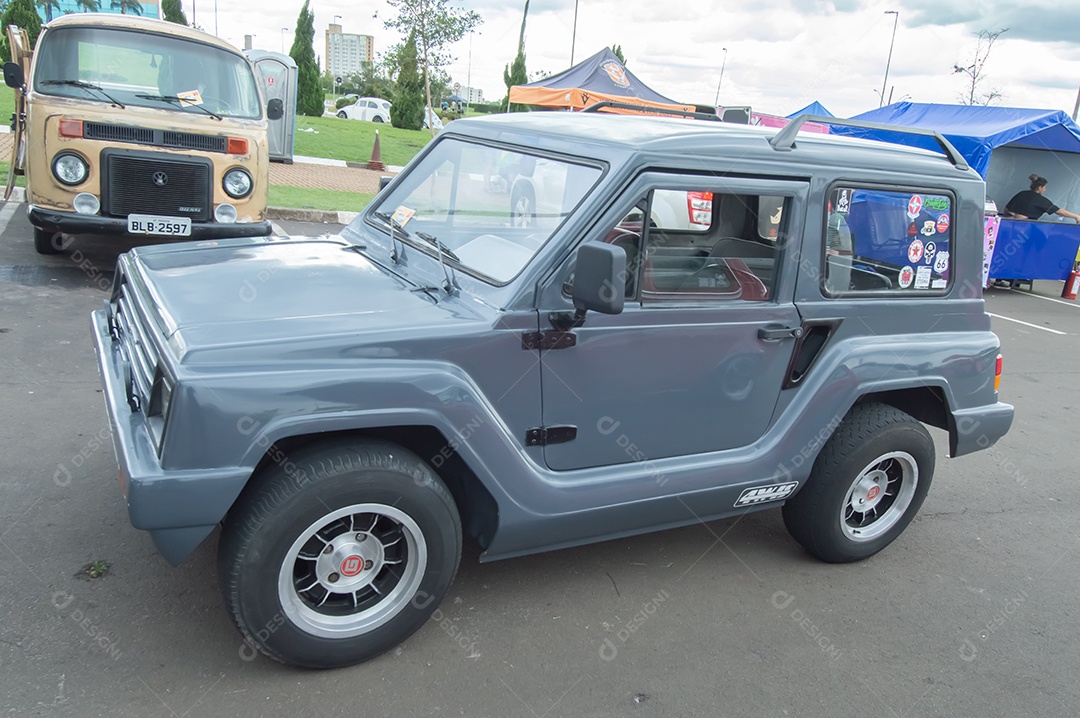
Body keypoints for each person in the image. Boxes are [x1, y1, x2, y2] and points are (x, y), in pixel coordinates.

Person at [1005, 174, 1080, 222]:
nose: (1045, 189)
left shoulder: (1021, 193)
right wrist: (1076, 216)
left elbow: (1007, 208)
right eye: (1045, 187)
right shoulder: (1041, 201)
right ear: (1040, 187)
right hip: (1024, 226)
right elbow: (1059, 211)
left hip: (1007, 222)